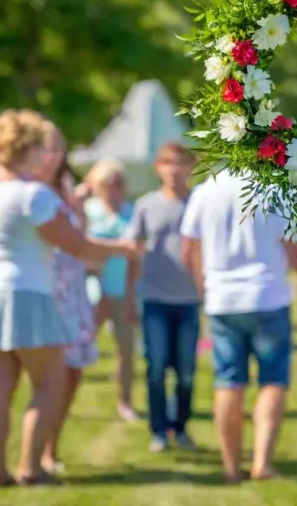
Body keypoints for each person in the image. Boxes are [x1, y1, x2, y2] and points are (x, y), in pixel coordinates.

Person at [0, 110, 139, 488]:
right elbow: (77, 246)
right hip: (25, 294)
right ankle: (31, 468)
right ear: (31, 148)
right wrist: (125, 248)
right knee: (50, 382)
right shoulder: (33, 194)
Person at [181, 169, 297, 483]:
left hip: (222, 298)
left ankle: (231, 467)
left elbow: (189, 249)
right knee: (272, 380)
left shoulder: (205, 190)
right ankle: (262, 462)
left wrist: (203, 290)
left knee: (228, 381)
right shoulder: (276, 189)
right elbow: (296, 250)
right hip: (267, 296)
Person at [127, 142, 200, 453]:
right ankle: (159, 430)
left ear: (191, 167)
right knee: (155, 368)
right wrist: (131, 294)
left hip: (189, 300)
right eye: (168, 163)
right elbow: (133, 251)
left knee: (185, 371)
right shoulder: (145, 205)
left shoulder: (199, 201)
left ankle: (180, 428)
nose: (174, 170)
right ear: (158, 167)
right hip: (155, 298)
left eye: (181, 163)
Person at [39, 121, 98, 475]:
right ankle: (39, 453)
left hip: (73, 287)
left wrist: (76, 205)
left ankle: (50, 447)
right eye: (49, 146)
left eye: (59, 146)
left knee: (72, 375)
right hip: (45, 288)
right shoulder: (29, 189)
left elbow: (81, 236)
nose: (55, 153)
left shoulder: (63, 187)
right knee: (52, 377)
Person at [84, 160, 138, 423]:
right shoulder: (87, 210)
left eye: (119, 183)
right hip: (91, 289)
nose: (114, 189)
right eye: (108, 183)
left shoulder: (133, 212)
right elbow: (79, 247)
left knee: (126, 349)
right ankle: (61, 397)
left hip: (124, 289)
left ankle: (125, 401)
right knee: (79, 345)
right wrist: (116, 248)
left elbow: (136, 253)